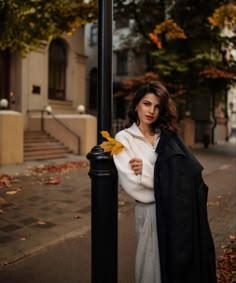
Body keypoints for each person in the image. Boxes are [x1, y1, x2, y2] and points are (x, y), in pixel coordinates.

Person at [113, 81, 217, 283]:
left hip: (177, 213)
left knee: (179, 267)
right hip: (150, 211)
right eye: (147, 103)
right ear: (136, 105)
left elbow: (189, 174)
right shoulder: (123, 139)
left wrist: (146, 170)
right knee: (150, 269)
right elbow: (132, 185)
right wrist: (166, 178)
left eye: (157, 106)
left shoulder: (166, 137)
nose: (152, 111)